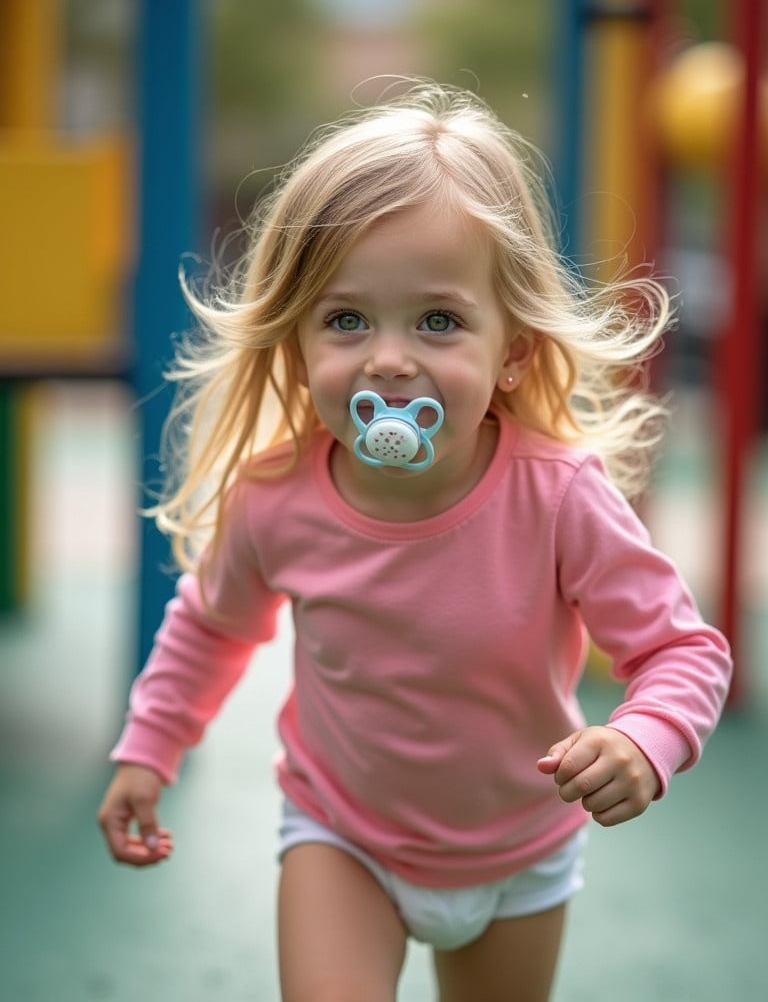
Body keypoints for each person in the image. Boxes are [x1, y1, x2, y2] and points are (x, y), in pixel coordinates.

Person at [98, 82, 732, 1002]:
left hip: (520, 849)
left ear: (511, 348)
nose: (389, 359)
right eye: (347, 319)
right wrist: (148, 747)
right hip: (341, 833)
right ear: (299, 342)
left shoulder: (559, 497)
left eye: (437, 320)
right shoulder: (277, 500)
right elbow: (211, 624)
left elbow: (679, 648)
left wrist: (647, 737)